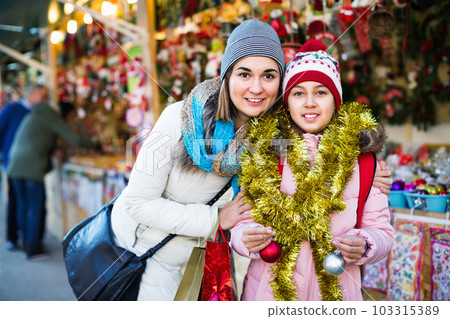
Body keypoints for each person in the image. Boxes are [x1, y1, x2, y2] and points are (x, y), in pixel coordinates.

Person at [110, 19, 393, 301]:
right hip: (148, 256)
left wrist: (364, 169)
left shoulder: (274, 137)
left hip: (211, 265)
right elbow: (137, 202)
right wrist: (216, 218)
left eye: (269, 76)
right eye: (244, 74)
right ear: (227, 76)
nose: (256, 88)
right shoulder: (178, 119)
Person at [231, 39, 395, 301]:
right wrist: (244, 238)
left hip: (336, 295)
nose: (309, 103)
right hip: (268, 293)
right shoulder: (265, 153)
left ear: (336, 100)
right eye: (298, 93)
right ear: (287, 102)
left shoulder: (363, 162)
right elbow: (243, 222)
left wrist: (366, 243)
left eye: (321, 92)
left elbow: (382, 231)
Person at [7, 97, 97, 259]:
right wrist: (96, 145)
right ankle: (33, 248)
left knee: (23, 206)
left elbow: (37, 140)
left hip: (14, 165)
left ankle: (26, 243)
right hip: (30, 167)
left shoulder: (34, 115)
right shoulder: (49, 116)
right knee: (36, 207)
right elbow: (74, 139)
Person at [0, 85, 48, 251]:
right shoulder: (11, 109)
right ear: (33, 95)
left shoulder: (38, 113)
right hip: (12, 163)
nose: (45, 100)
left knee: (30, 204)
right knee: (15, 201)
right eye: (43, 96)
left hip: (32, 165)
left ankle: (30, 240)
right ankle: (12, 238)